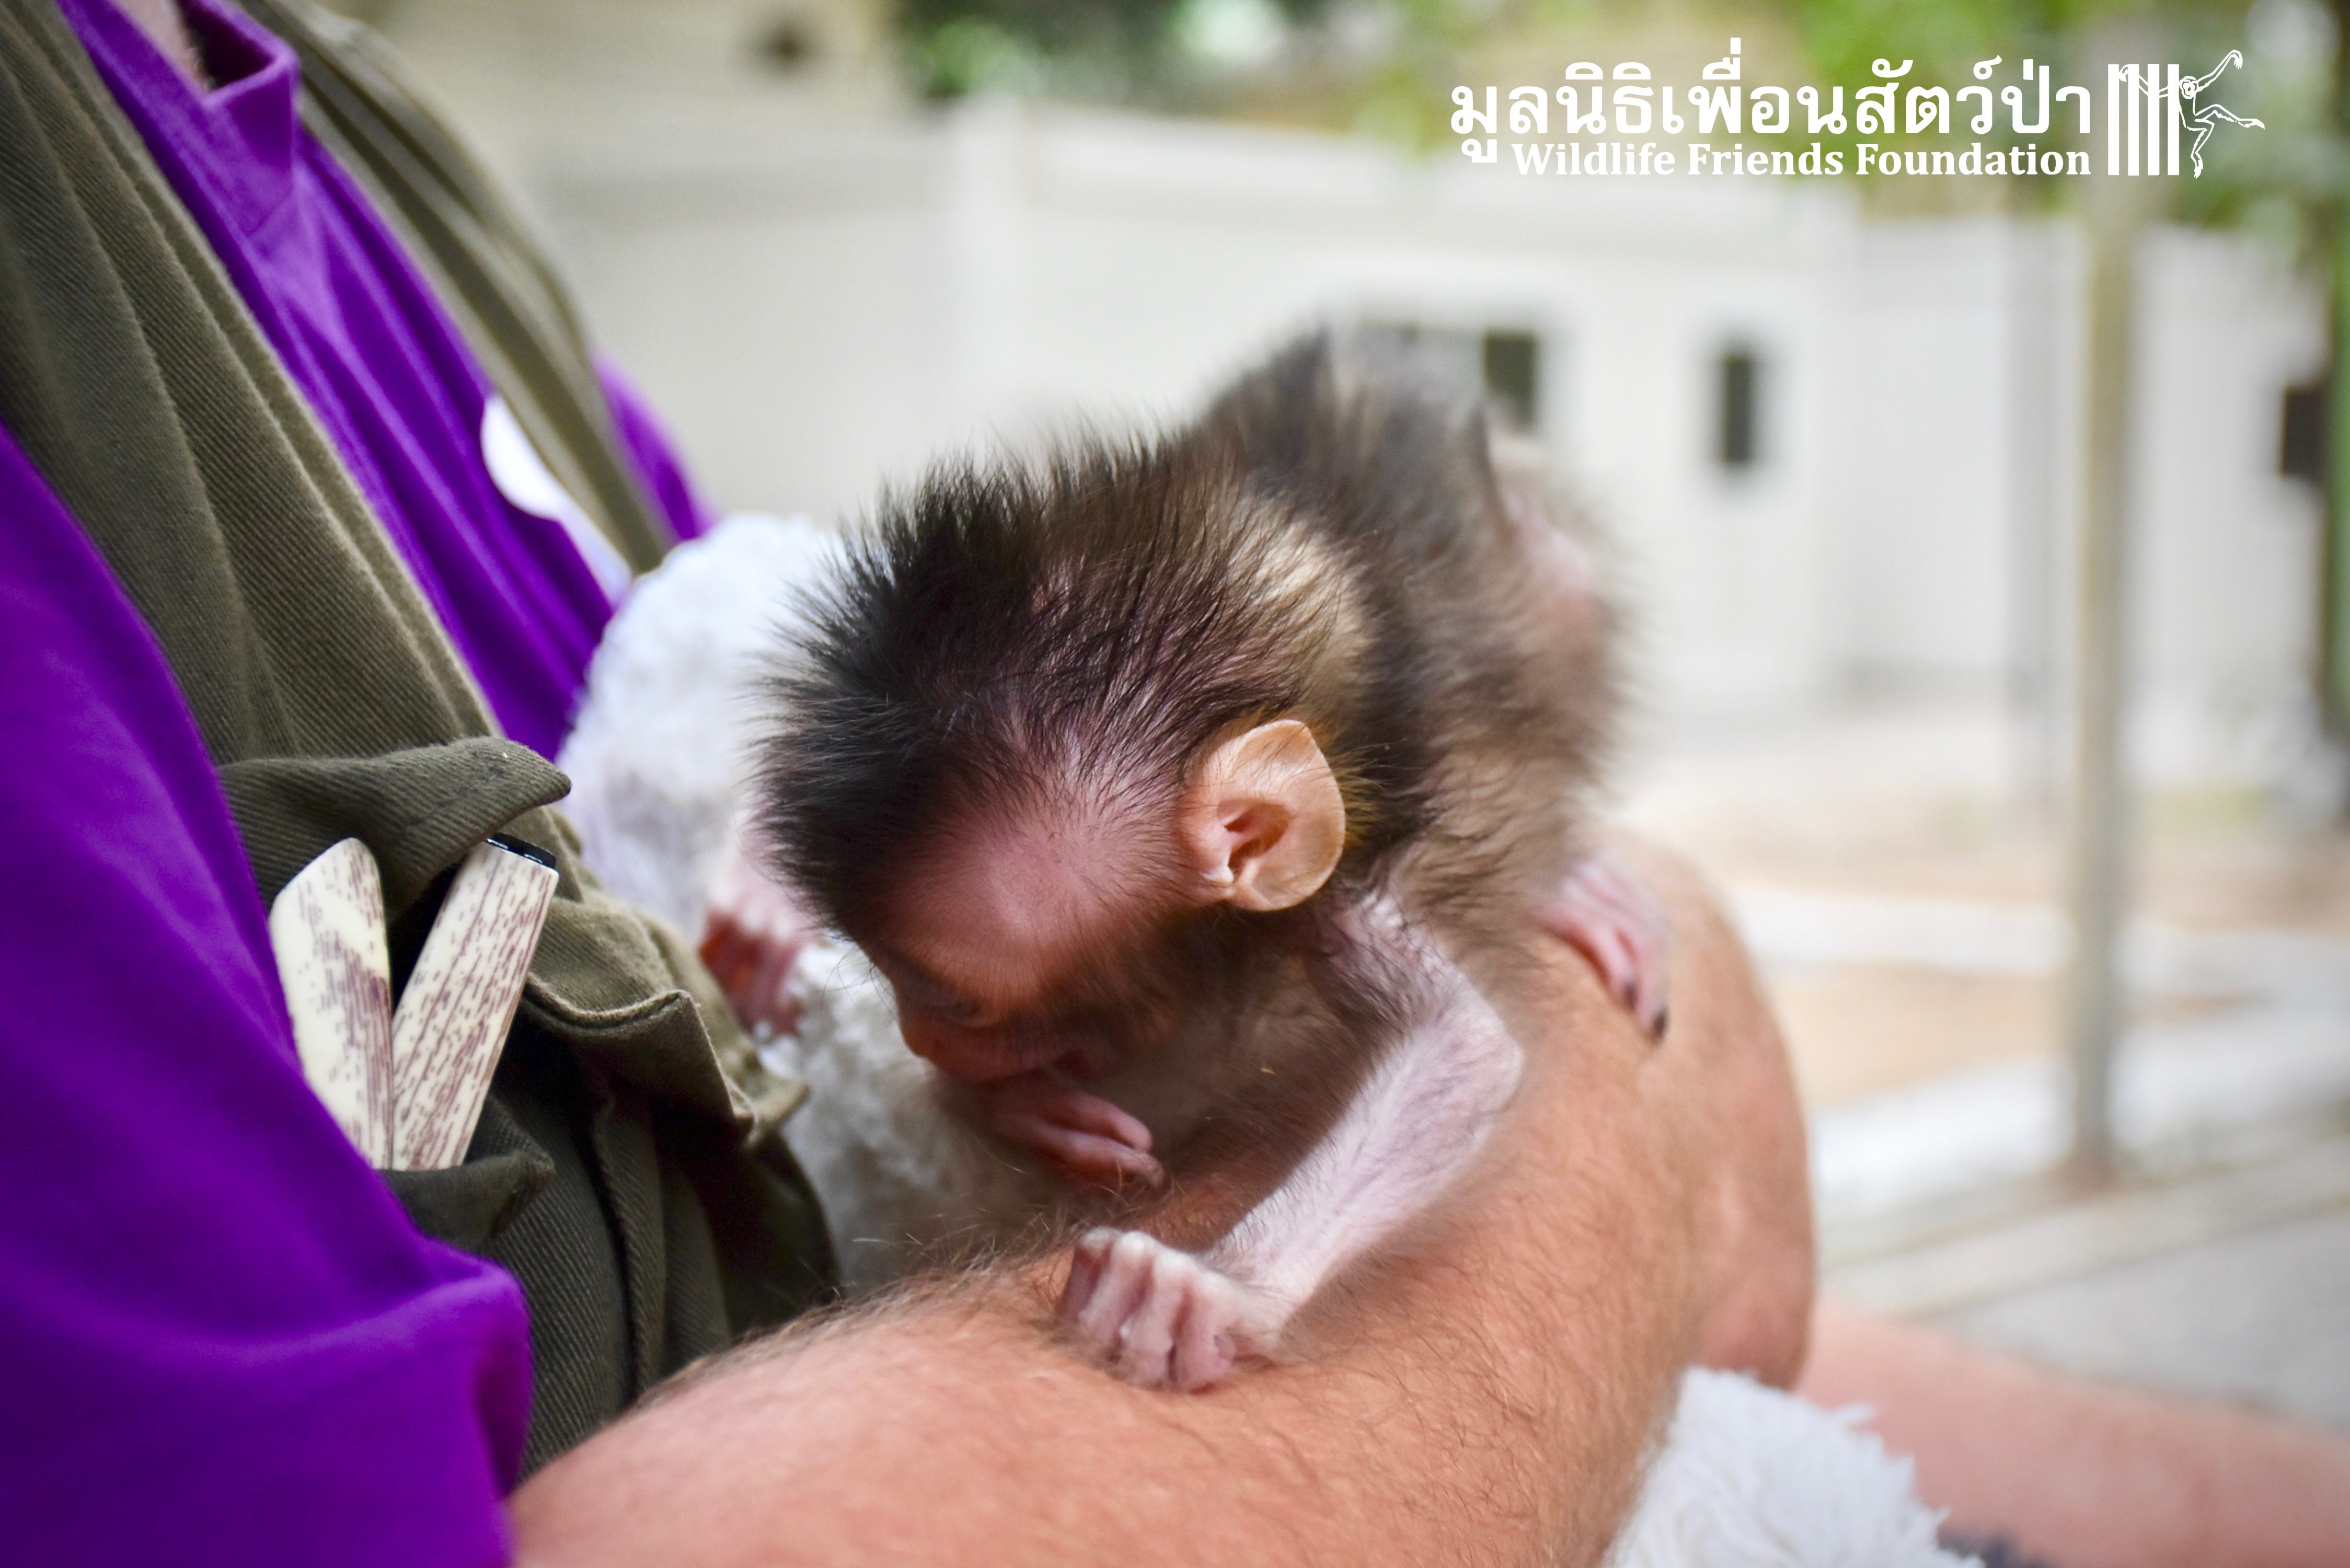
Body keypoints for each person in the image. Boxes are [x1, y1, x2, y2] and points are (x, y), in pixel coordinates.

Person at [1, 2, 2345, 1565]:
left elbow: (1610, 1227)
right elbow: (807, 748)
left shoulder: (404, 172)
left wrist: (1341, 1231)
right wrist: (1647, 1107)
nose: (936, 1035)